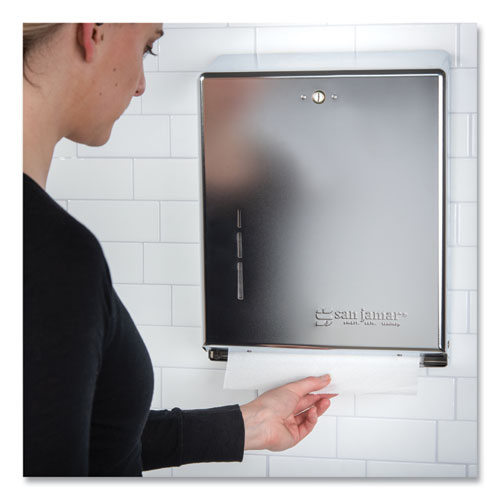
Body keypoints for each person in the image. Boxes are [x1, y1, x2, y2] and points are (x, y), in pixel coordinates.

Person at [23, 23, 335, 477]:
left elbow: (86, 437)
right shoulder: (51, 255)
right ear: (94, 31)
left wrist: (248, 424)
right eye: (147, 47)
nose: (141, 85)